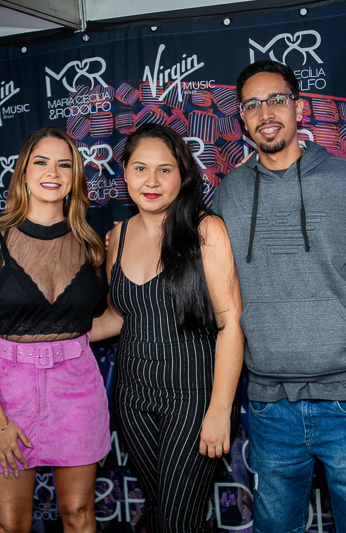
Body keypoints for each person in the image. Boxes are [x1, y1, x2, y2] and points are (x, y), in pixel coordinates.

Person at [212, 59, 346, 533]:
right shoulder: (229, 194)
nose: (266, 113)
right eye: (252, 105)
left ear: (298, 107)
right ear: (242, 118)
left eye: (277, 100)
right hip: (268, 405)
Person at [0, 127, 115, 533]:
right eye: (41, 162)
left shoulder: (92, 245)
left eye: (65, 164)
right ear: (23, 173)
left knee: (78, 515)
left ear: (75, 178)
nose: (53, 172)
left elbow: (100, 322)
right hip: (7, 393)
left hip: (76, 389)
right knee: (11, 524)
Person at [105, 123, 243, 532]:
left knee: (177, 522)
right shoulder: (117, 237)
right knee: (161, 514)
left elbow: (230, 323)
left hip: (193, 398)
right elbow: (120, 315)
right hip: (133, 399)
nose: (151, 181)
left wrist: (219, 410)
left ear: (181, 176)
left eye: (164, 170)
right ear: (125, 171)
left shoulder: (206, 229)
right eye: (140, 168)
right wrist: (51, 337)